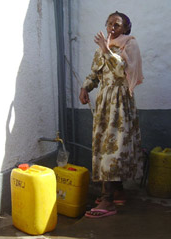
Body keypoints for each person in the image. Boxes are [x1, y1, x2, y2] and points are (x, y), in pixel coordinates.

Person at [79, 11, 144, 218]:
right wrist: (85, 88)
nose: (112, 28)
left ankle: (108, 201)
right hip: (104, 102)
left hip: (120, 102)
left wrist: (106, 49)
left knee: (113, 147)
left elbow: (120, 71)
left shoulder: (129, 44)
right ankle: (118, 191)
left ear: (126, 28)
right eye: (109, 24)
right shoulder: (102, 48)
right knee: (105, 145)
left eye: (117, 25)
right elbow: (96, 73)